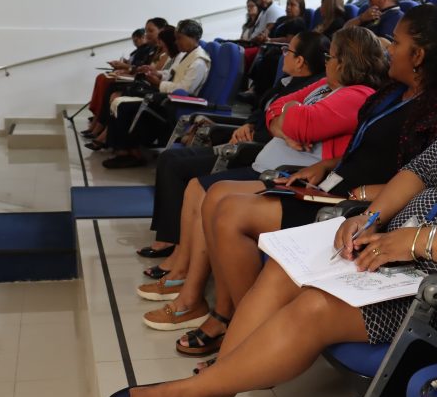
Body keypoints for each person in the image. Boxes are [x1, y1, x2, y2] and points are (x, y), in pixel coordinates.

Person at [101, 70, 437, 397]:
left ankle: (183, 395)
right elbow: (420, 171)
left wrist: (418, 241)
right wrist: (371, 217)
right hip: (394, 243)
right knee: (284, 268)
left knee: (316, 306)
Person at [154, 5, 437, 362]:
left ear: (417, 55)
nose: (389, 50)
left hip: (358, 204)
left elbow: (427, 176)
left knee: (231, 213)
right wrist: (326, 165)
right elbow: (363, 148)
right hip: (334, 185)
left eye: (397, 43)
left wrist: (365, 195)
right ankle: (230, 317)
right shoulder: (393, 91)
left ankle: (242, 330)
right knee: (217, 194)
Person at [139, 27, 388, 337]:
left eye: (331, 56)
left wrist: (289, 117)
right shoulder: (326, 85)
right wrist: (286, 117)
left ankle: (232, 319)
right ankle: (211, 304)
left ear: (345, 61)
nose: (326, 62)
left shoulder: (357, 94)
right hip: (276, 166)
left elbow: (299, 123)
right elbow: (276, 108)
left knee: (218, 200)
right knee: (211, 192)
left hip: (297, 176)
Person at [137, 31, 329, 261]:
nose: (283, 54)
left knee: (176, 167)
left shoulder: (313, 92)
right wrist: (248, 124)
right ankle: (171, 236)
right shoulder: (285, 82)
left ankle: (173, 241)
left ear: (300, 61)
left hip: (256, 149)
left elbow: (286, 130)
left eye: (288, 50)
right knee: (169, 158)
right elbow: (261, 111)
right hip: (249, 138)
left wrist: (254, 132)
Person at [101, 20, 211, 168]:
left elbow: (185, 89)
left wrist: (158, 83)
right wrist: (157, 73)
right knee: (123, 101)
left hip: (177, 103)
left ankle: (130, 154)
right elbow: (172, 73)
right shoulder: (188, 54)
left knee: (125, 106)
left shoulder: (199, 61)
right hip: (169, 96)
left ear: (192, 37)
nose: (176, 42)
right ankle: (125, 150)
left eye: (179, 38)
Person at [83, 17, 168, 148]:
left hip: (152, 87)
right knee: (108, 83)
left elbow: (154, 72)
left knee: (114, 89)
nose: (147, 35)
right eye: (146, 31)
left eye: (150, 31)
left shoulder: (165, 52)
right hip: (144, 81)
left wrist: (127, 69)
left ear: (162, 31)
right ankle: (99, 125)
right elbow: (143, 67)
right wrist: (127, 69)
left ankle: (103, 132)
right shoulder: (154, 49)